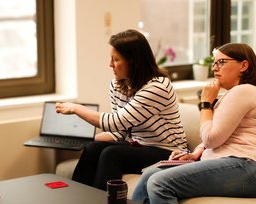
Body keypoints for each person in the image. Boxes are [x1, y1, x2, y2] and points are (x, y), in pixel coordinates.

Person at [132, 43, 256, 204]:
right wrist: (196, 152)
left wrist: (205, 103)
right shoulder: (230, 96)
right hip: (231, 164)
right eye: (214, 62)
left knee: (160, 183)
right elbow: (217, 136)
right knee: (150, 173)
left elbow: (213, 136)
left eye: (222, 62)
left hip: (249, 168)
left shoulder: (245, 91)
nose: (215, 68)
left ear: (243, 66)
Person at [55, 29, 188, 191]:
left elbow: (115, 122)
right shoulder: (117, 85)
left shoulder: (158, 87)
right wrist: (85, 138)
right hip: (138, 145)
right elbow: (120, 132)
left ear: (134, 62)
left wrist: (76, 108)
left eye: (116, 59)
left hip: (168, 151)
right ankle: (77, 198)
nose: (110, 64)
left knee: (112, 154)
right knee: (92, 148)